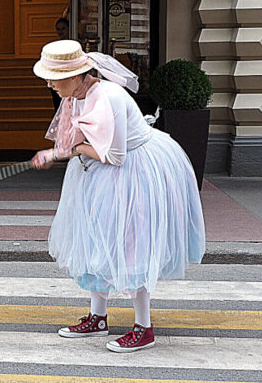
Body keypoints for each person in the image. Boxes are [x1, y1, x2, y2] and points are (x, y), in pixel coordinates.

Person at [30, 39, 205, 353]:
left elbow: (115, 155)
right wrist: (58, 152)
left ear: (75, 76)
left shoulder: (106, 97)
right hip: (98, 173)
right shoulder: (76, 95)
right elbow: (78, 141)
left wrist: (62, 153)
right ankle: (98, 318)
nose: (49, 83)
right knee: (96, 241)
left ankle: (144, 327)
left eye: (54, 77)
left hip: (132, 173)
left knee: (129, 245)